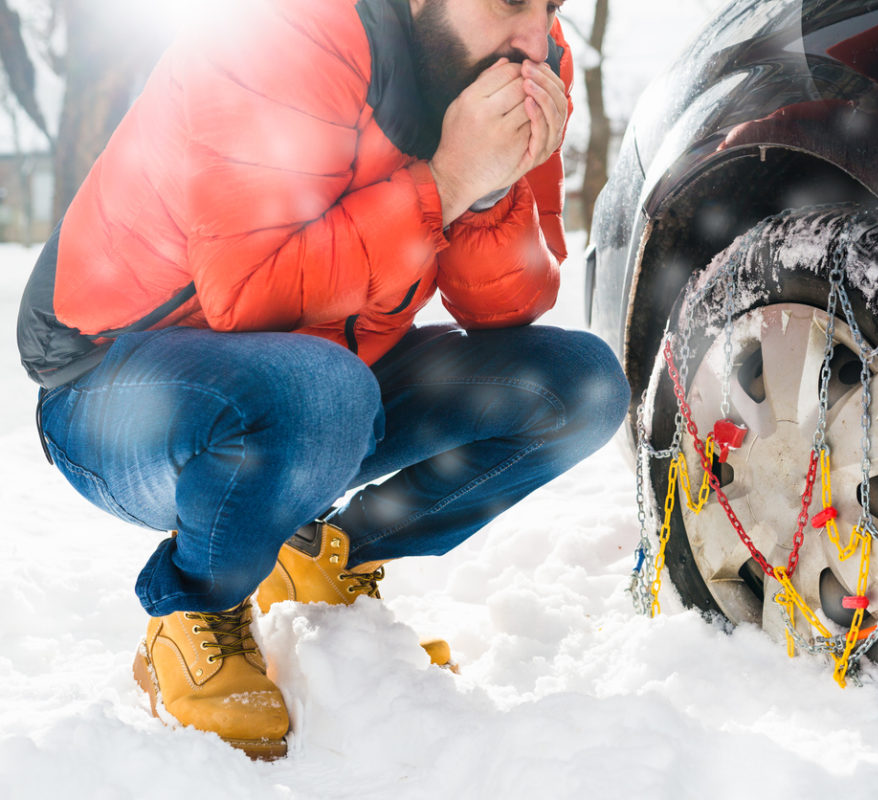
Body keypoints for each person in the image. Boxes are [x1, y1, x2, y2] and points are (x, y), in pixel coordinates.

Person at [16, 0, 629, 760]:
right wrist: (447, 178)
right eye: (510, 3)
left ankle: (318, 548)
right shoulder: (282, 31)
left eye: (552, 6)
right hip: (117, 390)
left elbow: (507, 302)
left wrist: (493, 189)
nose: (535, 39)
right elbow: (249, 297)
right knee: (320, 397)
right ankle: (191, 608)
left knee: (577, 389)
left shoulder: (524, 64)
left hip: (331, 382)